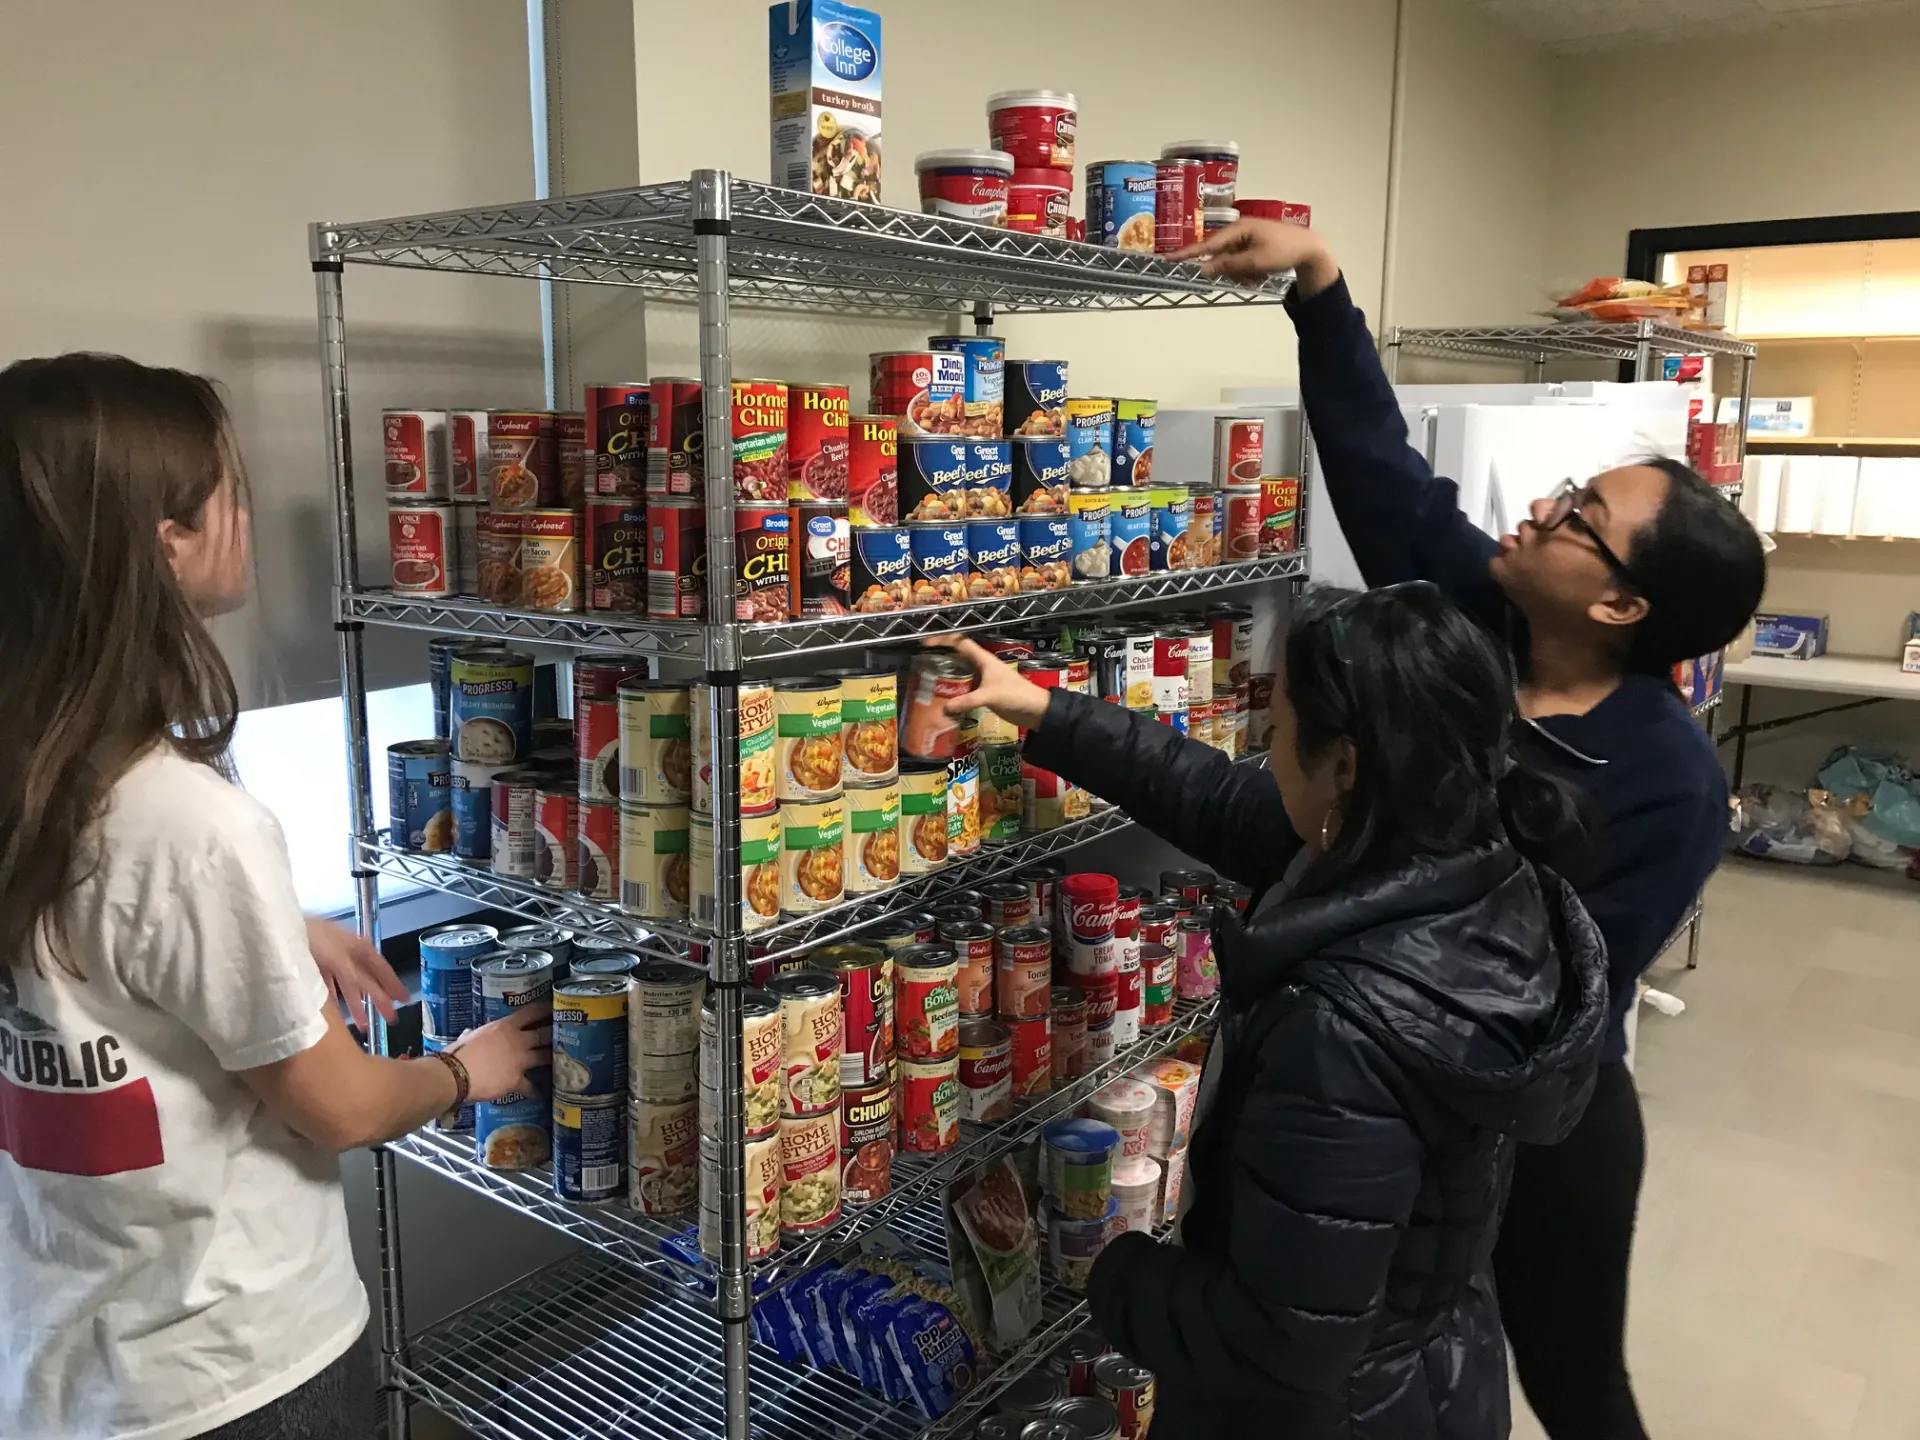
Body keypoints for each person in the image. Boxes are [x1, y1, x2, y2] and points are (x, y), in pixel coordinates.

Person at [1177, 219, 1768, 1439]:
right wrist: (1320, 285)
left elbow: (1559, 986)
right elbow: (1379, 465)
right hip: (1398, 1083)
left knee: (1570, 1372)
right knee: (1403, 1347)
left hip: (1548, 1119)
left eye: (1577, 515)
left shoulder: (1667, 780)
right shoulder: (1473, 621)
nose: (1540, 509)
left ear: (1617, 602)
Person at [0, 354, 549, 1440]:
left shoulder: (45, 777)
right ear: (168, 541)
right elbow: (340, 1109)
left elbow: (86, 940)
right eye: (230, 491)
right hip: (233, 1367)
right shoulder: (189, 824)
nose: (247, 514)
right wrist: (461, 1070)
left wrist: (277, 930)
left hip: (61, 1354)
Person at [933, 580, 1609, 1440]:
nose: (1264, 749)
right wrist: (1040, 708)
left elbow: (1281, 1338)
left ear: (1347, 765)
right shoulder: (1462, 858)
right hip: (1432, 1364)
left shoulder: (1341, 1032)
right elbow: (1204, 791)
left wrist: (1115, 1272)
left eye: (1279, 731)